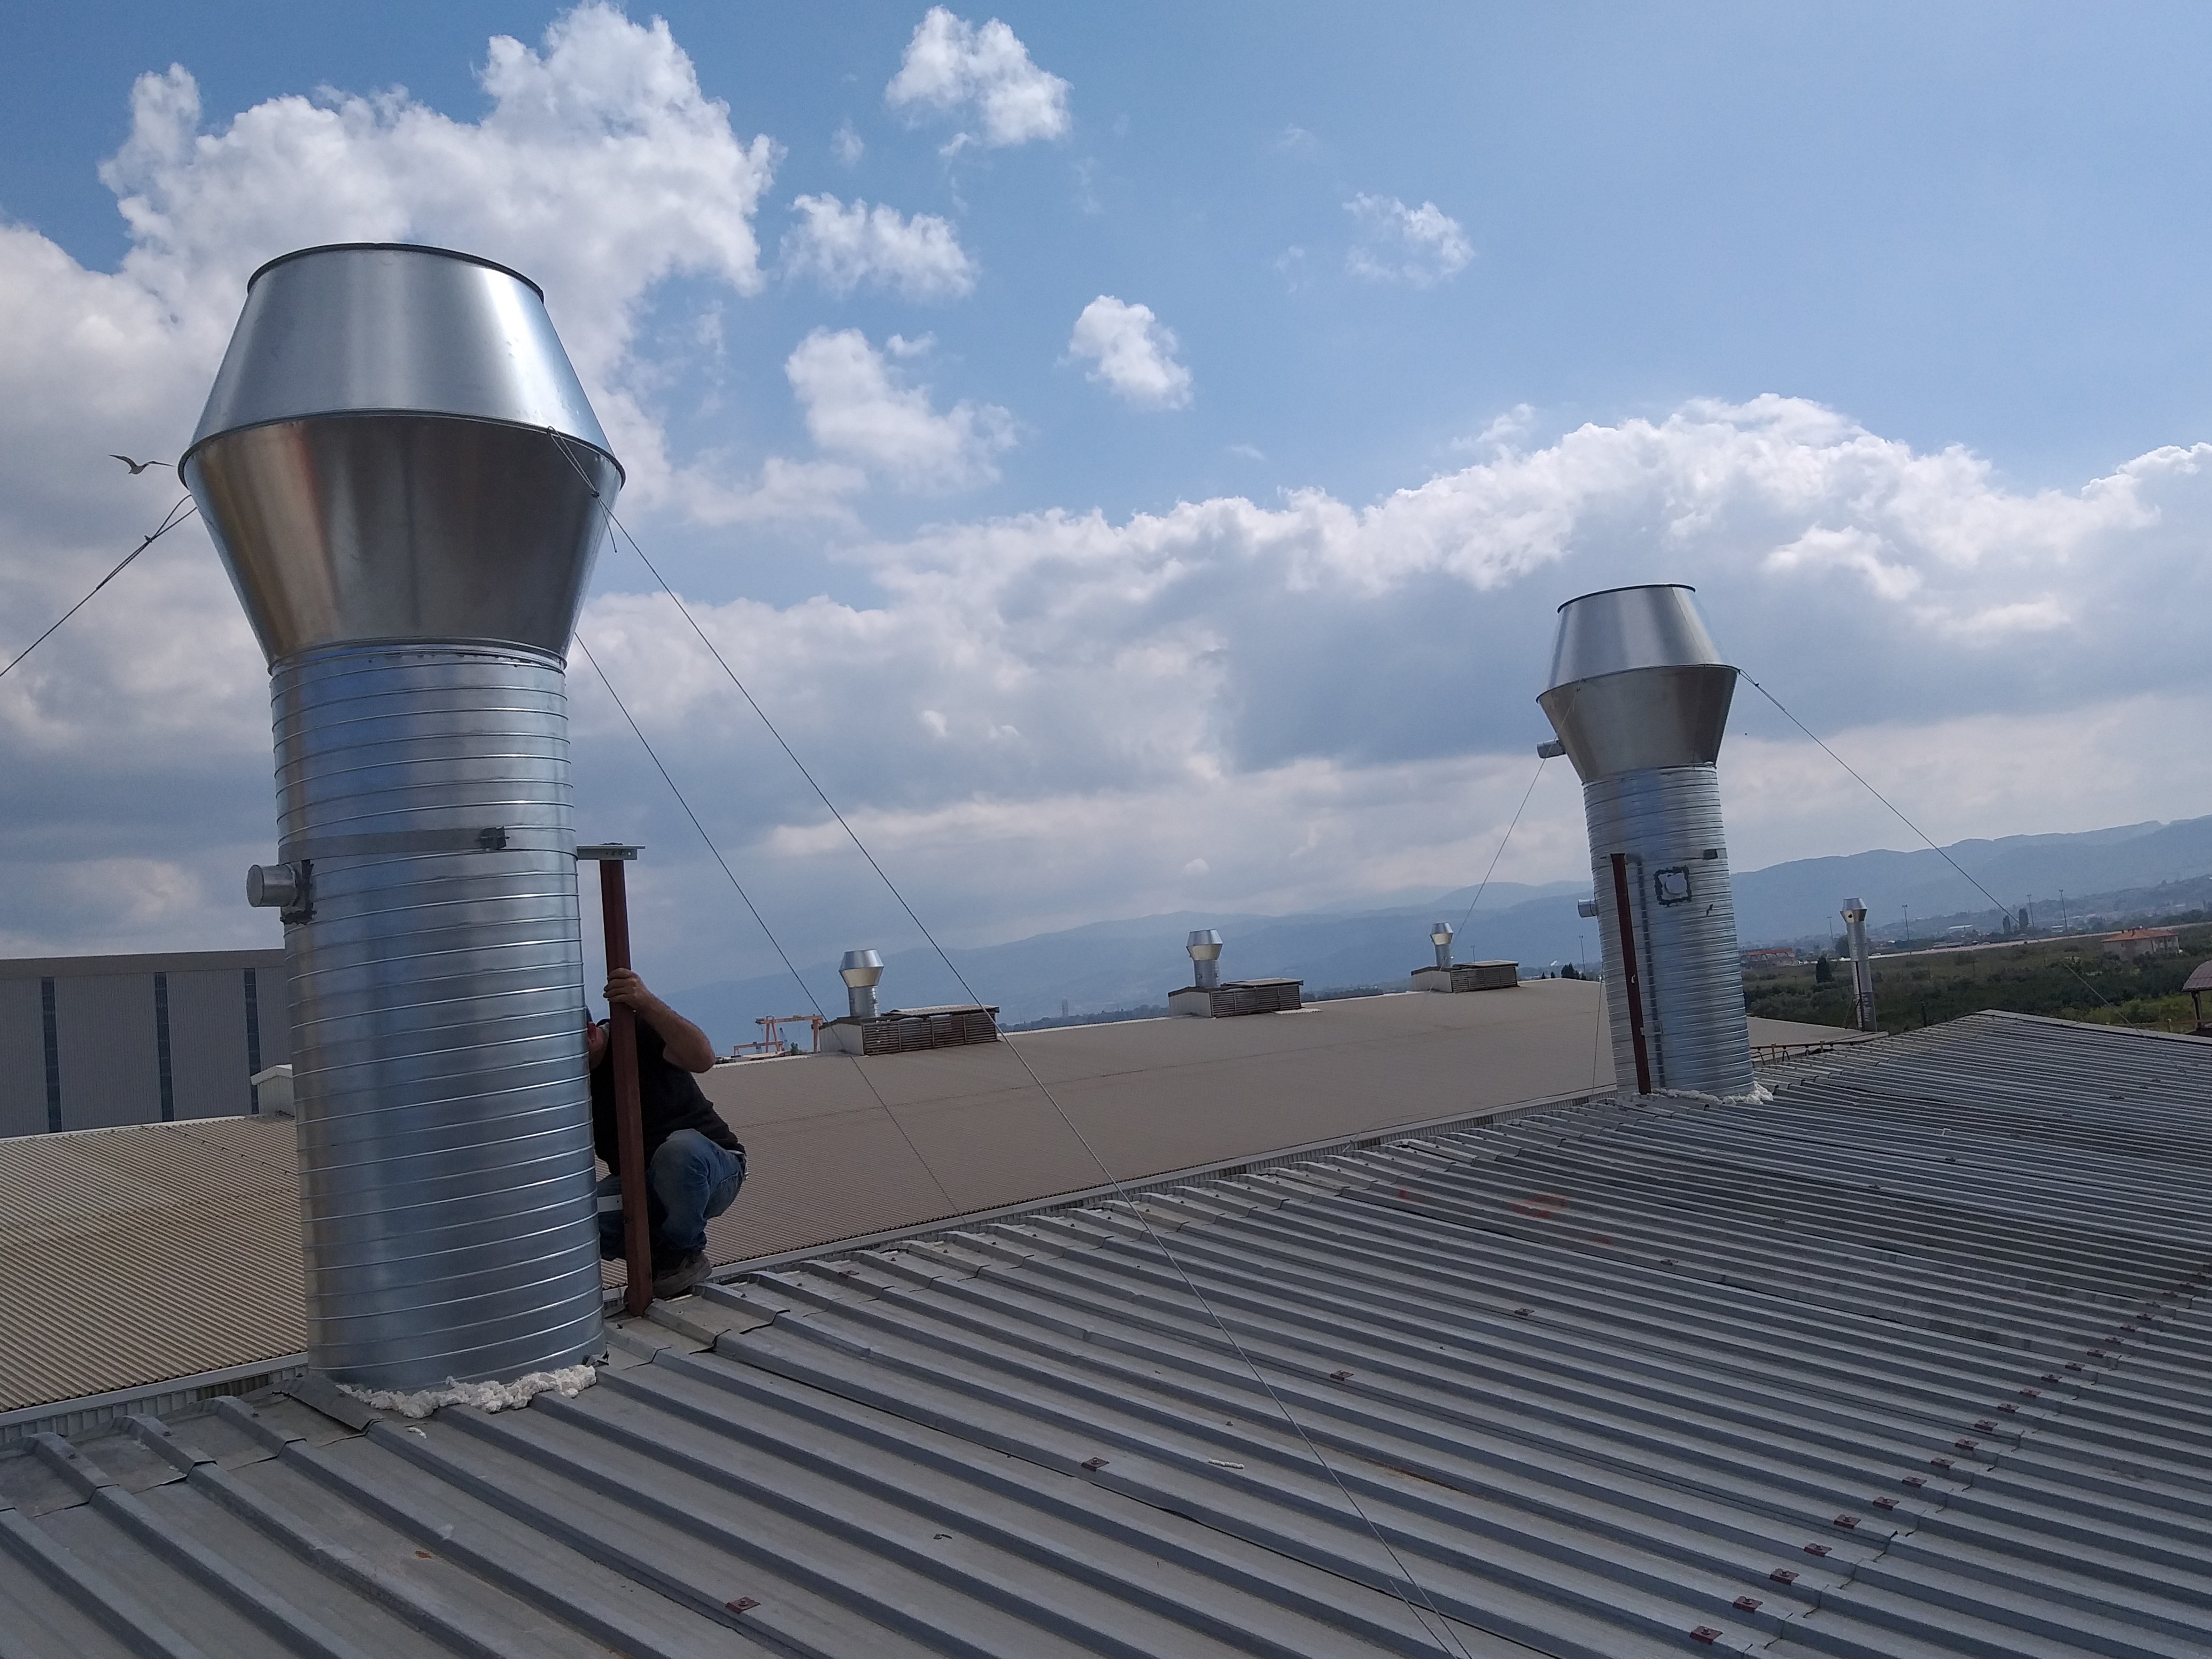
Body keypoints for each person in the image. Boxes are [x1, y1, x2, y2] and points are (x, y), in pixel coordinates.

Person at [584, 968, 745, 1299]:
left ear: (589, 1034)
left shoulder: (634, 1034)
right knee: (570, 1220)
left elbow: (702, 1058)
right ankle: (663, 1256)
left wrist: (645, 1003)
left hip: (710, 1170)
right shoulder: (569, 1087)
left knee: (678, 1153)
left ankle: (683, 1252)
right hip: (641, 1184)